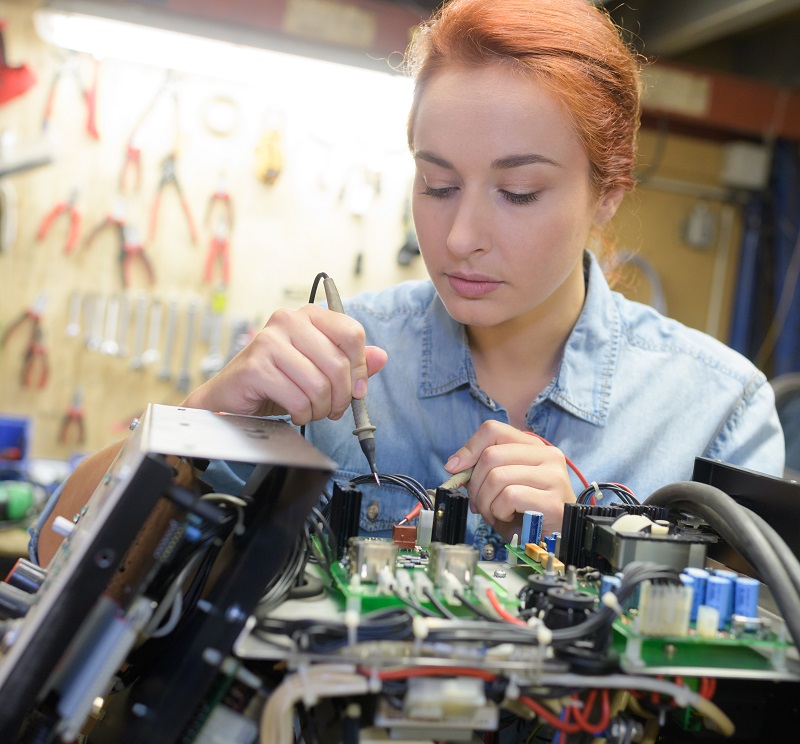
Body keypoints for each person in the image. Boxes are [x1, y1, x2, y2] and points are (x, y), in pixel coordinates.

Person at [34, 0, 784, 566]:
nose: (459, 239)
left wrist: (596, 546)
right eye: (437, 185)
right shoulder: (324, 371)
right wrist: (199, 420)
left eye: (518, 193)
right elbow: (50, 557)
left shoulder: (716, 411)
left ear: (609, 190)